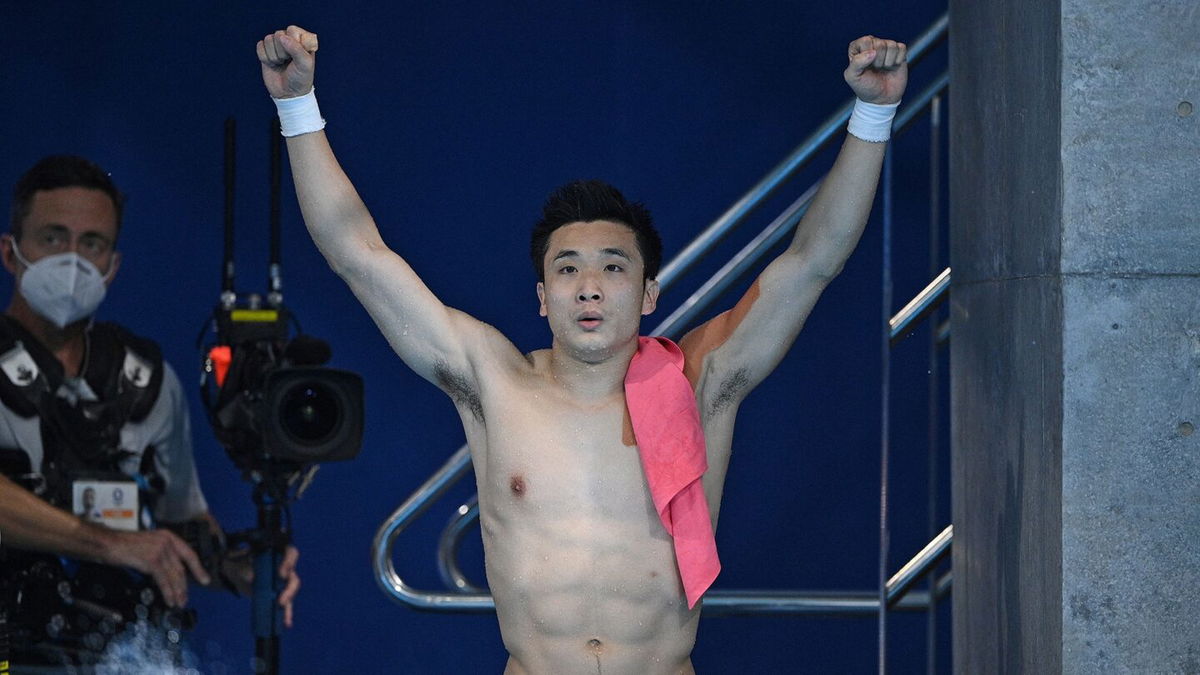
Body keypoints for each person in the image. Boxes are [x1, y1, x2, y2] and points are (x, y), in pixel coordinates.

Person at [258, 24, 906, 674]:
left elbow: (812, 260)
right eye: (567, 270)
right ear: (542, 296)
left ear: (650, 292)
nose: (589, 287)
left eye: (613, 269)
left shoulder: (703, 380)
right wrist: (297, 105)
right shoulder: (492, 382)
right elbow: (360, 257)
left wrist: (874, 112)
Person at [0, 155, 301, 669]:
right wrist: (111, 543)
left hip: (118, 649)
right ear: (10, 253)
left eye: (92, 243)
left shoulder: (144, 379)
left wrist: (237, 567)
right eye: (52, 238)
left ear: (112, 266)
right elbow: (128, 544)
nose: (72, 260)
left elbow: (176, 526)